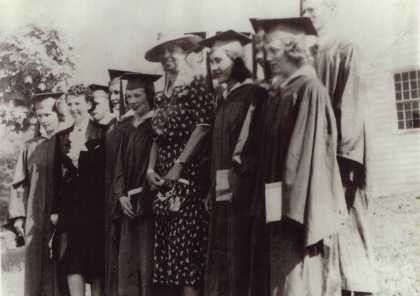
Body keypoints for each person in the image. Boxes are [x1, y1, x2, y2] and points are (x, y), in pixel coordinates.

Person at [248, 17, 347, 296]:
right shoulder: (281, 92)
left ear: (293, 49)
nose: (267, 58)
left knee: (296, 276)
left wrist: (288, 207)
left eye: (273, 50)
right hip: (278, 201)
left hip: (296, 207)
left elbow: (304, 157)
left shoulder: (309, 89)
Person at [301, 1, 377, 295]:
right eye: (303, 12)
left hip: (343, 155)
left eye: (313, 9)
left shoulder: (346, 48)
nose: (308, 16)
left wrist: (348, 157)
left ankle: (359, 287)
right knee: (323, 227)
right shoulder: (306, 56)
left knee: (350, 219)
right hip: (317, 153)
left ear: (331, 9)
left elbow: (352, 104)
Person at [144, 33, 214, 296]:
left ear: (184, 50)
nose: (166, 57)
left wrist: (179, 165)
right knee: (168, 256)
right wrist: (151, 169)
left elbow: (203, 126)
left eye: (171, 51)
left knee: (187, 256)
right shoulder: (163, 92)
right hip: (164, 181)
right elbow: (157, 136)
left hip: (190, 177)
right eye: (162, 53)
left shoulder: (196, 81)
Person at [200, 30, 268, 296]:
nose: (213, 68)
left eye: (219, 61)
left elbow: (246, 148)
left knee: (240, 254)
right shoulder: (224, 99)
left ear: (236, 61)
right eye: (211, 62)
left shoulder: (253, 95)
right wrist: (211, 189)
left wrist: (233, 185)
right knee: (222, 254)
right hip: (222, 191)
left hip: (243, 192)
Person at [7, 91, 68, 296]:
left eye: (48, 115)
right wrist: (18, 217)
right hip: (34, 217)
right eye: (40, 116)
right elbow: (18, 183)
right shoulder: (30, 146)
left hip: (59, 214)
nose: (43, 120)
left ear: (58, 115)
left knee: (59, 266)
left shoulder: (65, 142)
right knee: (34, 268)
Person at [52, 84, 107, 296]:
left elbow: (103, 170)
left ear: (89, 104)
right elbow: (57, 177)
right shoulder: (62, 137)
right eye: (71, 104)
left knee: (94, 264)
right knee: (72, 262)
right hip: (71, 208)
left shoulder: (103, 133)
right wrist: (54, 210)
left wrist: (80, 158)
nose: (74, 108)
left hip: (95, 207)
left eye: (78, 103)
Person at [112, 72, 161, 296]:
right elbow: (119, 164)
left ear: (149, 94)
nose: (132, 101)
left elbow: (158, 161)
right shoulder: (125, 126)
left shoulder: (157, 123)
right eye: (129, 96)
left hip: (150, 202)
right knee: (127, 264)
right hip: (127, 203)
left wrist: (144, 194)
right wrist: (121, 195)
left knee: (147, 263)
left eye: (137, 95)